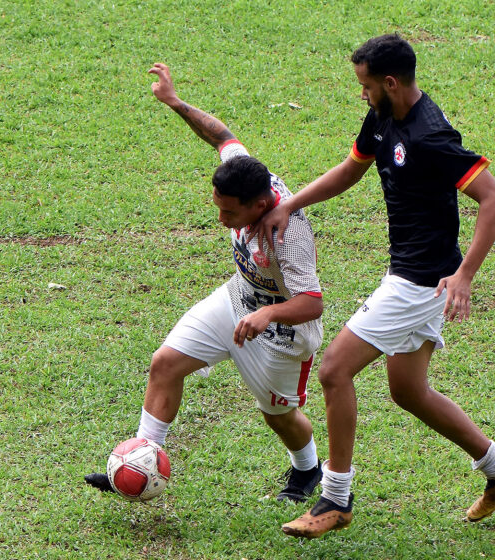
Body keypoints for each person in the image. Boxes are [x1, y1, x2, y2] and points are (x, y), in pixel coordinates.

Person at [248, 34, 495, 538]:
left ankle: (335, 499)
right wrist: (292, 204)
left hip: (419, 282)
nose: (362, 93)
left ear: (390, 82)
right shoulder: (384, 117)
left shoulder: (429, 136)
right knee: (409, 391)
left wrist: (465, 274)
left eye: (365, 84)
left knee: (334, 369)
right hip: (412, 274)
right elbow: (351, 169)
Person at [85, 63, 326, 503]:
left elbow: (313, 302)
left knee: (279, 416)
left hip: (283, 332)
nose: (221, 220)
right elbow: (221, 136)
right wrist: (176, 103)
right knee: (165, 363)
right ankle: (140, 458)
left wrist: (268, 312)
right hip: (236, 301)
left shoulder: (289, 236)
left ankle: (308, 470)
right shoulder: (245, 175)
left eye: (230, 214)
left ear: (259, 204)